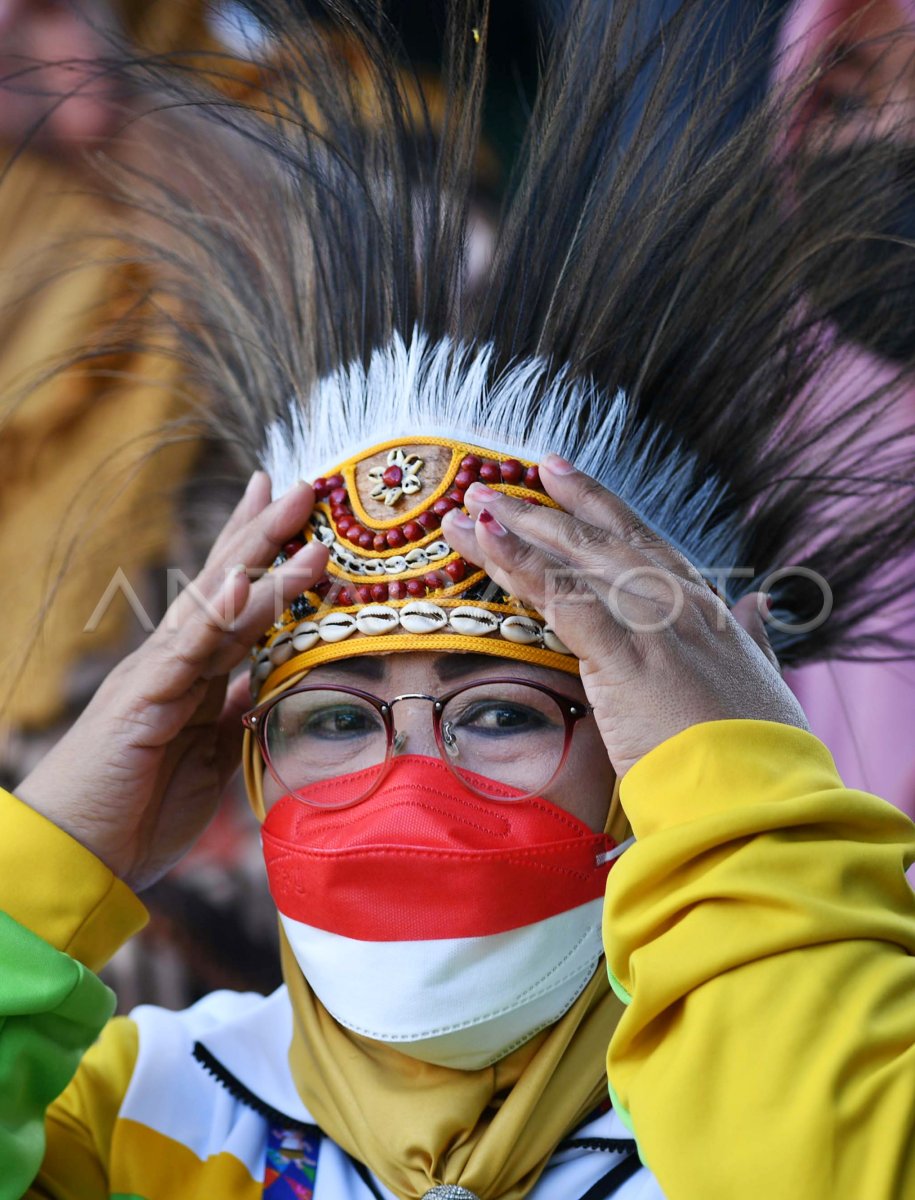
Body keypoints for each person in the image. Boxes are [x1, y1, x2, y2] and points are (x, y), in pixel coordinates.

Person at [2, 1, 915, 1198]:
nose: (410, 786)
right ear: (245, 758)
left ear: (673, 742)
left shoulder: (827, 1063)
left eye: (501, 711)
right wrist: (57, 846)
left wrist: (741, 809)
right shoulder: (139, 1111)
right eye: (331, 717)